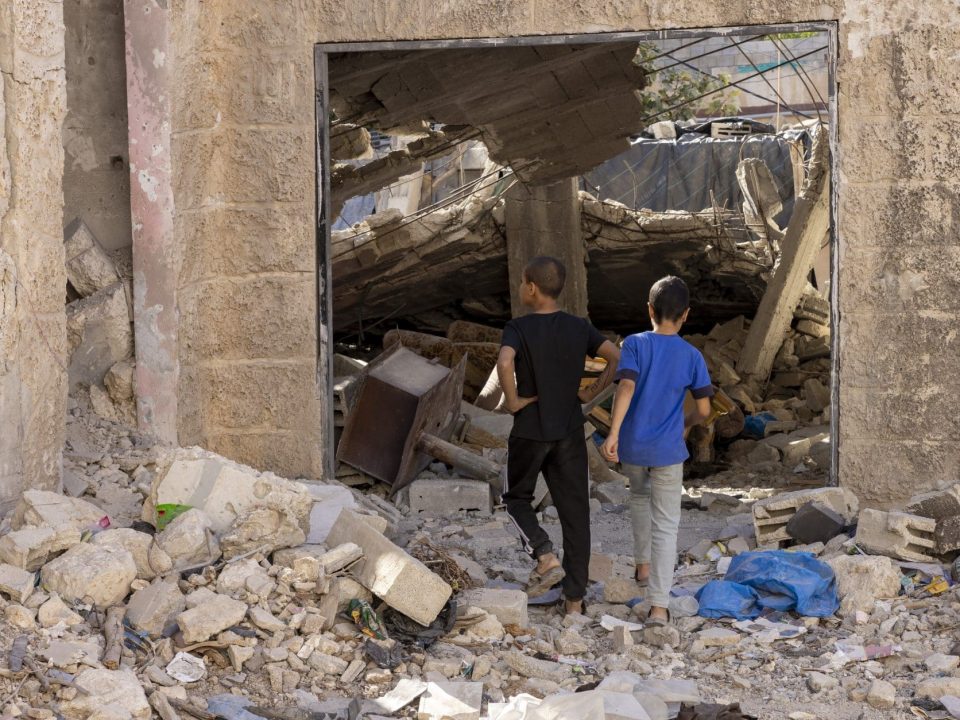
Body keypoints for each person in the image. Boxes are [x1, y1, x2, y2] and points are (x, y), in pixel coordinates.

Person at [497, 256, 620, 615]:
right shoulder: (579, 327)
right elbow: (614, 355)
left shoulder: (517, 328)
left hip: (530, 430)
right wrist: (589, 392)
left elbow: (505, 362)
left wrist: (514, 400)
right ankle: (574, 602)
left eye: (522, 283)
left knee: (515, 498)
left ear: (531, 288)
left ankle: (544, 555)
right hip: (568, 429)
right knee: (575, 514)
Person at [601, 276, 713, 626]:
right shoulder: (692, 355)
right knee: (667, 525)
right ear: (686, 316)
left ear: (649, 310)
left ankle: (642, 567)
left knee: (638, 499)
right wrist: (687, 422)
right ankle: (660, 607)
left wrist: (613, 433)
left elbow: (626, 387)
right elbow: (706, 410)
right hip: (668, 451)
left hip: (634, 447)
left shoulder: (633, 344)